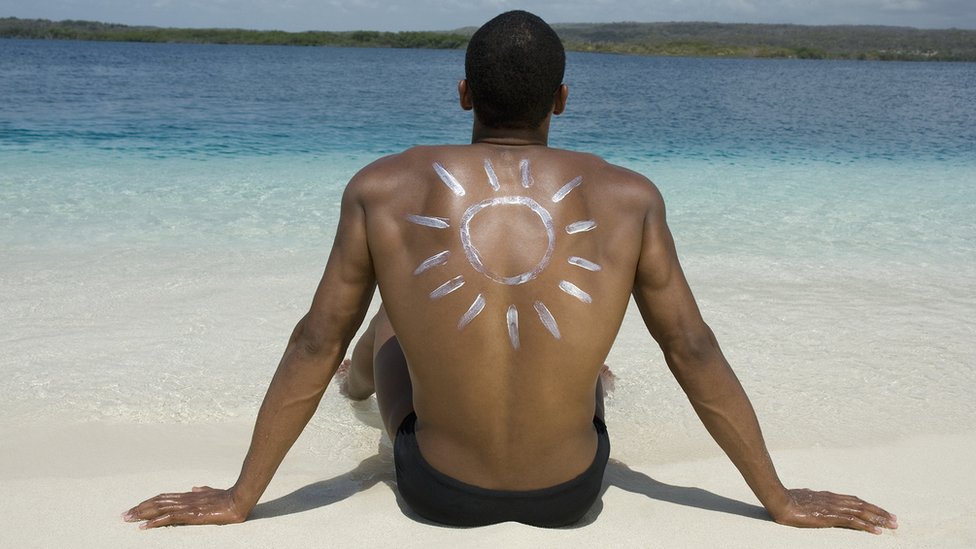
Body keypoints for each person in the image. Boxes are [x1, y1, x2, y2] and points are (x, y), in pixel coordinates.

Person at [124, 10, 897, 532]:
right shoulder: (630, 198)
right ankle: (581, 375)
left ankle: (360, 387)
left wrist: (239, 496)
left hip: (438, 492)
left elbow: (313, 338)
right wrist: (780, 497)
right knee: (587, 361)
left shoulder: (381, 186)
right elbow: (692, 348)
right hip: (571, 495)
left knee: (388, 321)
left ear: (463, 92)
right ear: (562, 98)